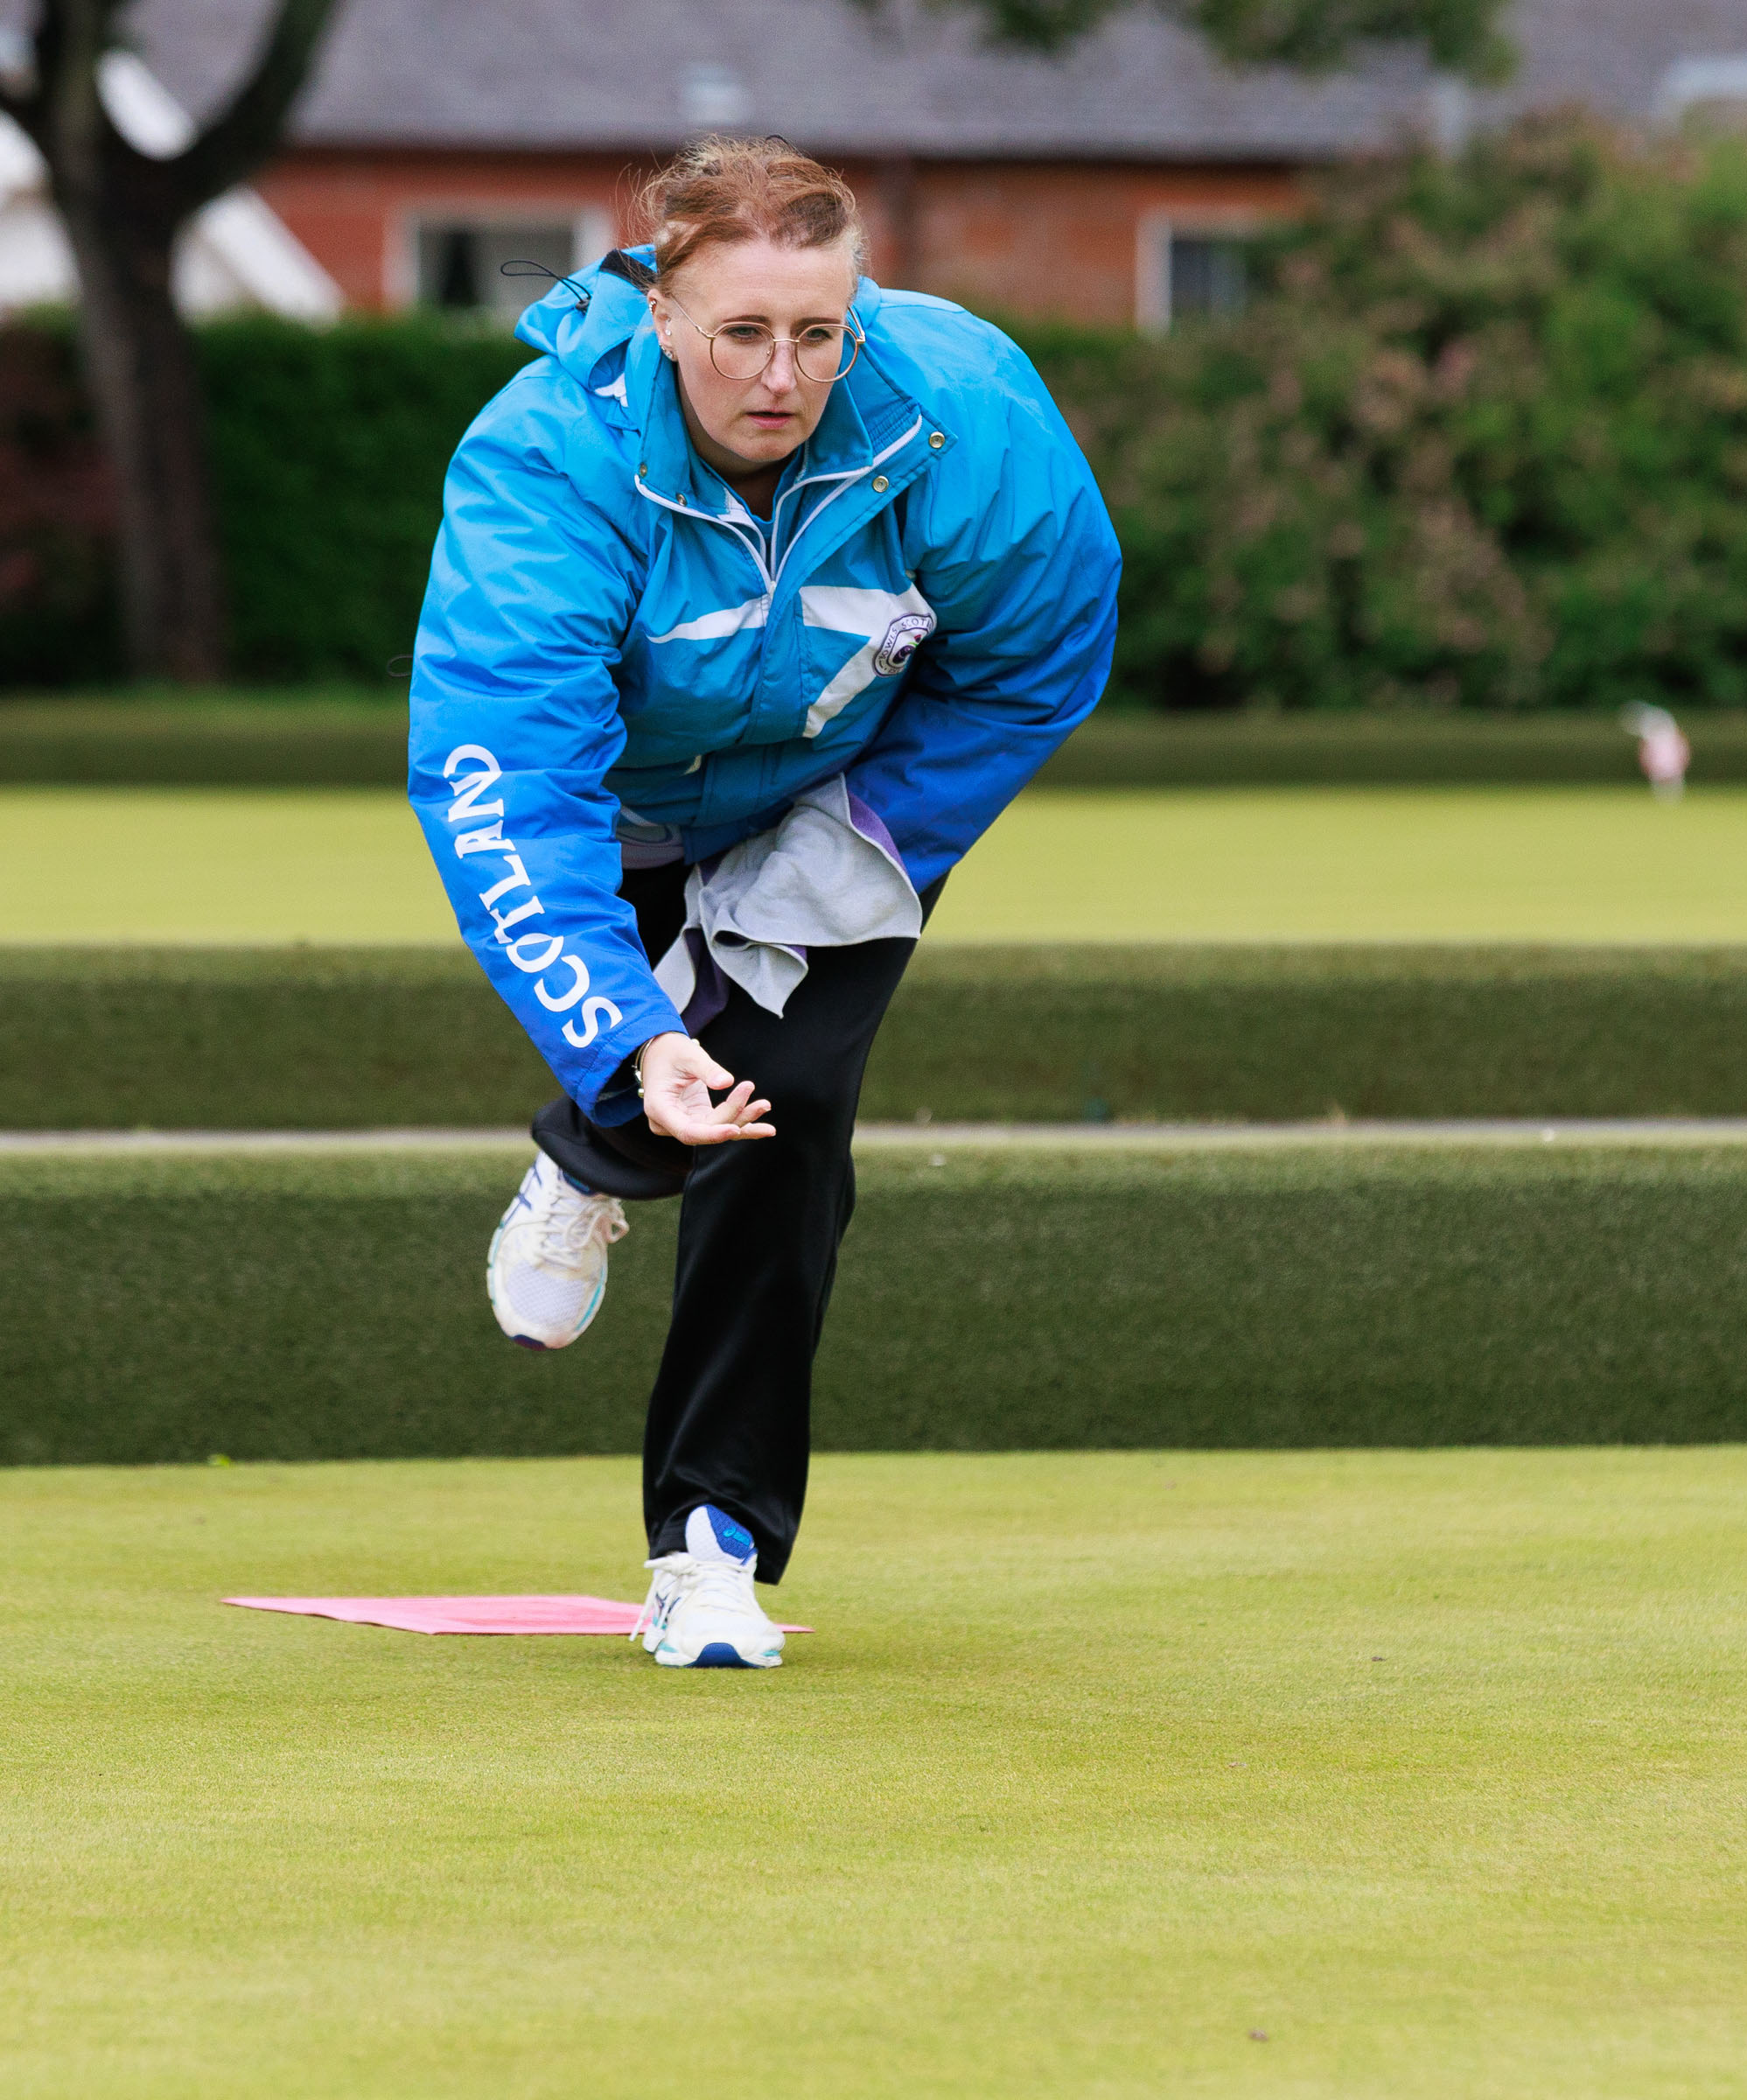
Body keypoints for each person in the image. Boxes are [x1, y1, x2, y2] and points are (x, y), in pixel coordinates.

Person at [408, 136, 1119, 1670]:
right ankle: (600, 1144)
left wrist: (851, 852)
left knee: (781, 1103)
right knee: (674, 1068)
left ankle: (708, 1551)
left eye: (819, 331)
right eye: (742, 332)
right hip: (616, 804)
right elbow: (505, 792)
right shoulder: (547, 459)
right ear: (660, 312)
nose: (783, 374)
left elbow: (1037, 664)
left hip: (839, 790)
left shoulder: (969, 415)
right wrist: (624, 1042)